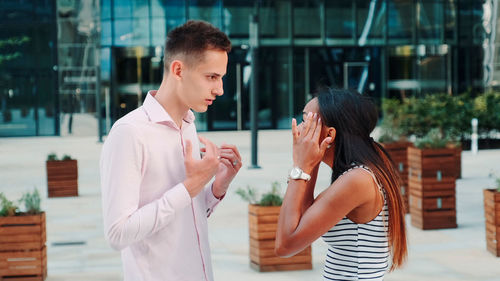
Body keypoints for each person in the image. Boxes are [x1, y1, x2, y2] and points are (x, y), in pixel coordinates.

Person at [100, 20, 242, 281]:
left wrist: (215, 189)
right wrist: (191, 186)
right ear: (178, 70)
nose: (220, 90)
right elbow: (117, 234)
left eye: (221, 78)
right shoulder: (129, 133)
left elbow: (184, 217)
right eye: (211, 77)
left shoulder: (188, 125)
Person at [275, 88, 407, 280]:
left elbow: (285, 245)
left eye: (306, 120)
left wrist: (300, 167)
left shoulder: (358, 180)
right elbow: (300, 220)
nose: (299, 128)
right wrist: (307, 164)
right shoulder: (366, 168)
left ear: (330, 134)